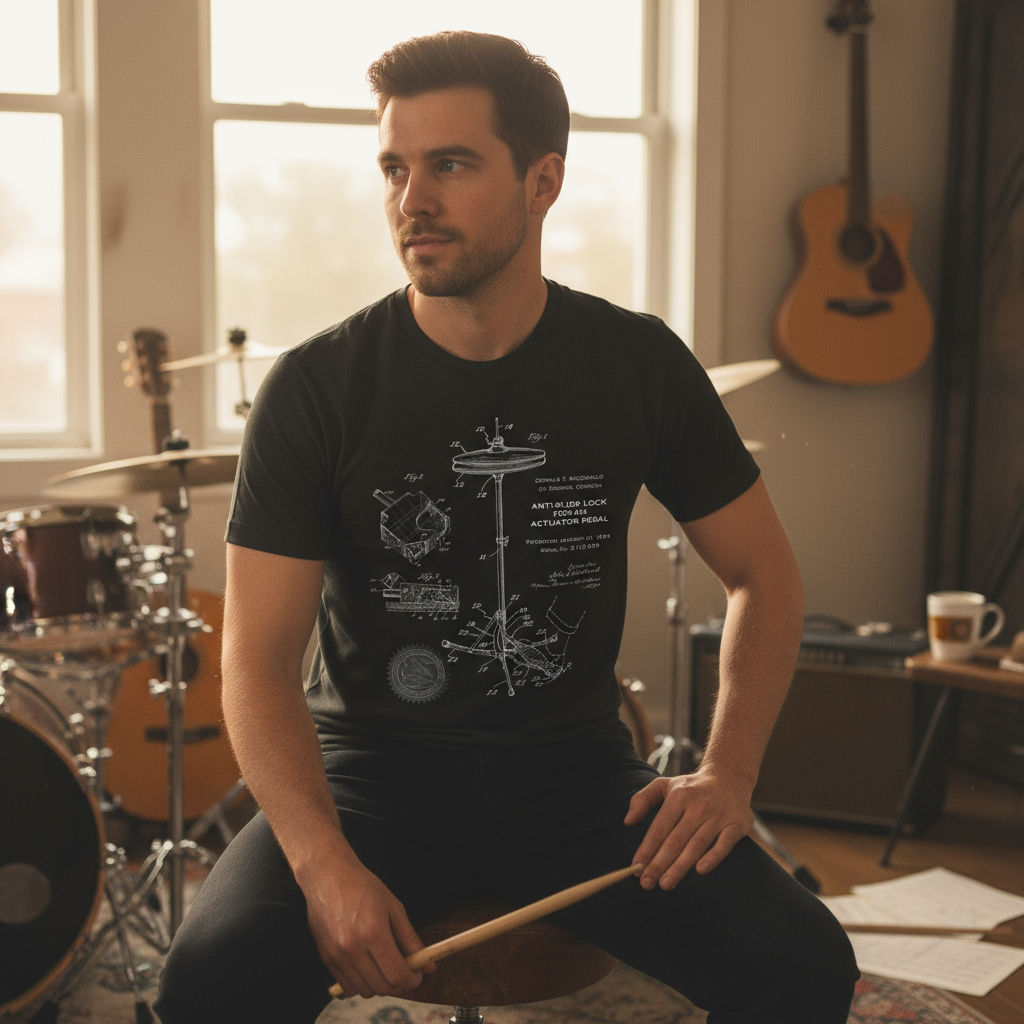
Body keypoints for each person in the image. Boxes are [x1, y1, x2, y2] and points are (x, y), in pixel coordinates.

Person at [154, 30, 857, 1024]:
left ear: (543, 181)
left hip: (574, 777)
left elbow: (764, 577)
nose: (411, 199)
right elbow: (255, 664)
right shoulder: (317, 388)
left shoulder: (638, 364)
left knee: (803, 965)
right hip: (368, 777)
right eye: (395, 167)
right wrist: (324, 865)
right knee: (210, 985)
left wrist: (726, 775)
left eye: (450, 164)